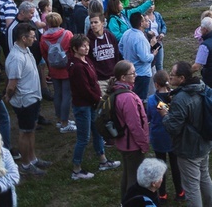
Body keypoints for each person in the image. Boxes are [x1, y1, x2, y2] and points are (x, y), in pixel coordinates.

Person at [158, 61, 212, 206]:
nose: (169, 77)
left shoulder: (181, 99)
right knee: (204, 177)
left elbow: (173, 128)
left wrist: (164, 115)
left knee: (191, 187)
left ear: (182, 79)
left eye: (172, 75)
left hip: (189, 148)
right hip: (204, 142)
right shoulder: (200, 86)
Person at [68, 34, 121, 180]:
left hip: (91, 104)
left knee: (97, 131)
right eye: (83, 46)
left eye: (87, 45)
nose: (86, 48)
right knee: (83, 138)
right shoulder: (77, 66)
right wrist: (99, 99)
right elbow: (85, 89)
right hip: (83, 106)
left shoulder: (86, 60)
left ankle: (103, 160)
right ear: (75, 48)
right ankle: (76, 169)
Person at [4, 23, 50, 176]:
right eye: (32, 37)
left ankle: (33, 159)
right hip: (25, 101)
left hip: (33, 98)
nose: (35, 39)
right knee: (25, 132)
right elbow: (12, 85)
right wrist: (8, 97)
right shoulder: (16, 58)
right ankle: (25, 165)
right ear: (23, 38)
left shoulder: (26, 50)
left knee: (31, 130)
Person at [110, 60, 149, 200]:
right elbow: (135, 125)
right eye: (132, 73)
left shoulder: (116, 91)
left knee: (127, 174)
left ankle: (124, 201)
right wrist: (143, 144)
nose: (135, 75)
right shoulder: (127, 98)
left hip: (123, 142)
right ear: (123, 77)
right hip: (132, 145)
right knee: (134, 179)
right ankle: (132, 202)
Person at [145, 71, 184, 203]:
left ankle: (162, 194)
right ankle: (180, 191)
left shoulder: (151, 100)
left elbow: (148, 117)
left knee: (160, 166)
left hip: (158, 137)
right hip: (173, 136)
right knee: (175, 165)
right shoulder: (176, 96)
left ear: (156, 84)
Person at [39, 12, 75, 133]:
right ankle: (65, 122)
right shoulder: (67, 34)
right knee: (66, 95)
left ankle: (59, 120)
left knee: (57, 95)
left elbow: (44, 54)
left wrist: (50, 67)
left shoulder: (43, 38)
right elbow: (73, 50)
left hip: (54, 69)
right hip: (66, 69)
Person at [119, 12, 159, 101]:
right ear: (141, 24)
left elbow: (120, 46)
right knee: (140, 100)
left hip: (129, 71)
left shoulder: (127, 33)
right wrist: (153, 55)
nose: (147, 21)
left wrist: (126, 56)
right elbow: (144, 58)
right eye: (145, 20)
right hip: (142, 74)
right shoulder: (140, 38)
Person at [87, 12, 121, 95]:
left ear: (102, 23)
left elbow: (117, 55)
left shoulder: (110, 36)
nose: (93, 25)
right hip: (100, 79)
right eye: (91, 23)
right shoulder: (88, 40)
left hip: (113, 77)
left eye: (96, 22)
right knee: (104, 105)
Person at [144, 4, 166, 72]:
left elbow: (163, 25)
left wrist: (162, 33)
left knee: (159, 64)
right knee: (151, 64)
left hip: (158, 41)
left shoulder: (157, 15)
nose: (151, 6)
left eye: (153, 4)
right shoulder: (143, 17)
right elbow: (141, 28)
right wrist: (148, 32)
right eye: (149, 5)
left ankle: (161, 80)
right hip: (149, 42)